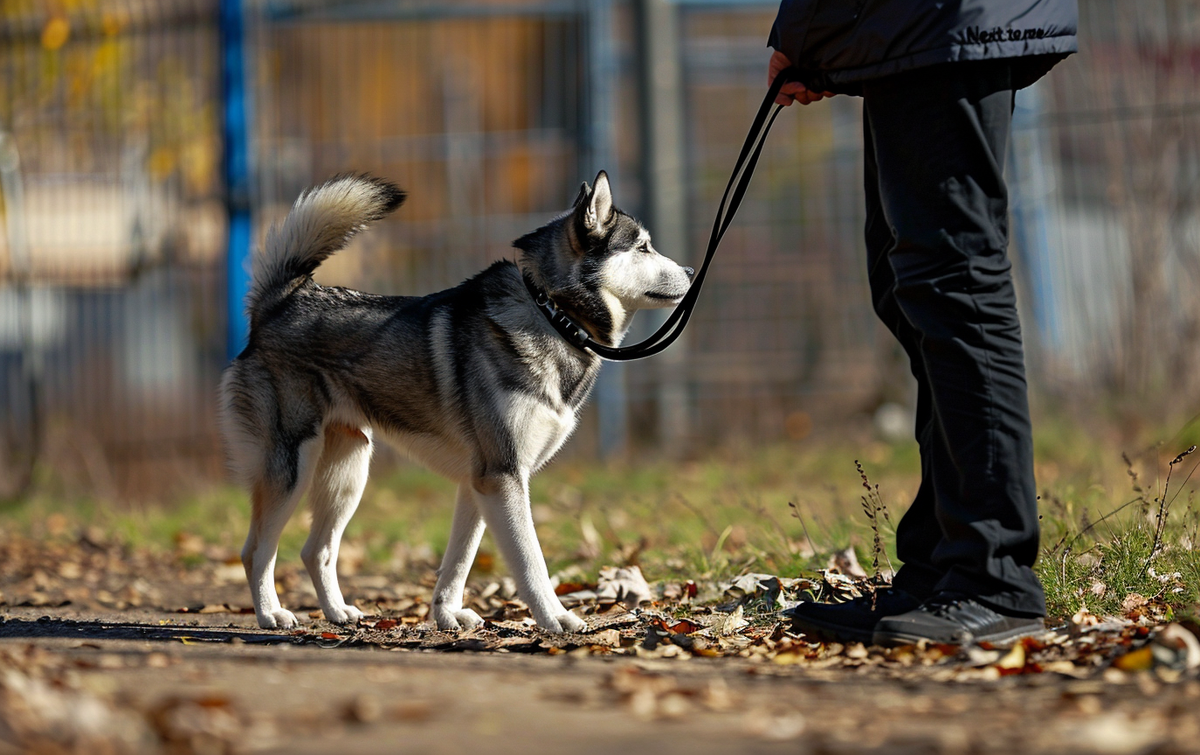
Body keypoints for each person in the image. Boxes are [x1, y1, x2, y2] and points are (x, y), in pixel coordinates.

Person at [770, 0, 1078, 646]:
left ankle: (994, 575)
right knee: (905, 279)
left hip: (940, 18)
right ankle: (944, 563)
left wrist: (807, 31)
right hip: (917, 22)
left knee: (955, 277)